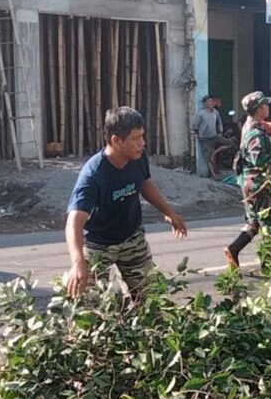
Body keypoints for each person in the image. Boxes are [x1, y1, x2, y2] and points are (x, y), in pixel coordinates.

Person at [65, 106, 187, 296]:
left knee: (151, 299)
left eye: (142, 136)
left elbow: (144, 183)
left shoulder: (138, 158)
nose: (142, 143)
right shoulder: (94, 175)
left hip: (131, 237)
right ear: (116, 141)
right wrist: (78, 261)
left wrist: (168, 212)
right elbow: (74, 222)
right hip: (98, 244)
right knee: (87, 305)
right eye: (136, 138)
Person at [224, 91, 271, 268]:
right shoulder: (255, 133)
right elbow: (258, 161)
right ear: (260, 109)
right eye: (265, 105)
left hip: (251, 184)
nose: (268, 107)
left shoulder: (254, 125)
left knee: (254, 223)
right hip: (258, 185)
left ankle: (234, 249)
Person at [193, 94, 235, 178]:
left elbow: (219, 123)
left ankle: (215, 153)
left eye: (211, 101)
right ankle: (214, 175)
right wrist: (198, 135)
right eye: (209, 101)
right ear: (204, 103)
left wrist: (220, 131)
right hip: (204, 139)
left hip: (214, 136)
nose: (211, 103)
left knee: (230, 143)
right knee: (208, 158)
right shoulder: (201, 113)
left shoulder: (215, 112)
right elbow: (195, 125)